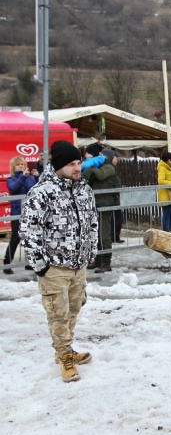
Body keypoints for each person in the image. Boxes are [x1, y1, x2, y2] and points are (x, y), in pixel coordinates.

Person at [20, 140, 98, 382]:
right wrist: (40, 265)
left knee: (74, 307)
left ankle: (68, 348)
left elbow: (92, 222)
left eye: (79, 162)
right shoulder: (41, 193)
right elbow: (29, 230)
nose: (78, 168)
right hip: (54, 267)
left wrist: (91, 250)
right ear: (58, 166)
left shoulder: (83, 189)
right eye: (72, 164)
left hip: (78, 264)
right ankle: (64, 355)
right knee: (58, 313)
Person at [82, 148, 121, 273]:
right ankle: (97, 259)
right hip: (95, 204)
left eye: (101, 156)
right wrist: (87, 168)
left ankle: (106, 262)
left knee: (104, 235)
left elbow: (101, 175)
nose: (99, 157)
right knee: (95, 234)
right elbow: (85, 179)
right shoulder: (98, 167)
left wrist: (92, 166)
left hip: (105, 205)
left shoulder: (109, 168)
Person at [3, 156, 38, 274]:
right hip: (17, 212)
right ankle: (7, 262)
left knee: (30, 237)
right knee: (15, 238)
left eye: (22, 164)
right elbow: (13, 188)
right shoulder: (11, 179)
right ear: (13, 167)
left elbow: (32, 189)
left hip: (29, 211)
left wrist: (36, 177)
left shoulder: (29, 178)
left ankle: (29, 262)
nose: (21, 166)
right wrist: (22, 176)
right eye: (18, 165)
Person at [157, 152, 171, 232]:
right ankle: (166, 232)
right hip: (165, 195)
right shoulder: (162, 168)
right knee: (167, 214)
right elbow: (161, 180)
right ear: (169, 160)